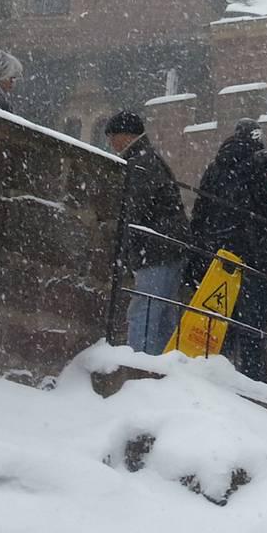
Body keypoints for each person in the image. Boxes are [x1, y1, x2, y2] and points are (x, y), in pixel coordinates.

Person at [188, 118, 267, 381]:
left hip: (218, 256)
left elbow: (200, 212)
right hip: (253, 254)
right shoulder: (266, 160)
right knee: (252, 324)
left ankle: (217, 376)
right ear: (257, 136)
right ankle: (252, 382)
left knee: (220, 321)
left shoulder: (215, 167)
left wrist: (196, 253)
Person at [104, 109, 190, 355]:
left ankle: (140, 363)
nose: (111, 144)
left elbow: (134, 208)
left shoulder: (140, 163)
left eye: (113, 137)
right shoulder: (150, 159)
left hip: (155, 248)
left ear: (126, 135)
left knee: (145, 309)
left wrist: (122, 249)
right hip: (169, 245)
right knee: (162, 311)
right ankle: (161, 363)